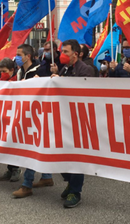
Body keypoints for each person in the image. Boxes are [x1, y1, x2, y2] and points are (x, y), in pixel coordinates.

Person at [51, 39, 93, 208]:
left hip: (79, 119)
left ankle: (75, 191)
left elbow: (86, 94)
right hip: (64, 118)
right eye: (62, 52)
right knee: (59, 152)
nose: (62, 55)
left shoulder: (86, 70)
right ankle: (69, 181)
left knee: (76, 156)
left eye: (66, 52)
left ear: (76, 54)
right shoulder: (65, 69)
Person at [12, 44, 53, 198]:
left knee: (32, 147)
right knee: (38, 145)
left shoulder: (40, 71)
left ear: (27, 56)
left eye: (19, 54)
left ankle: (27, 184)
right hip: (26, 112)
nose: (17, 57)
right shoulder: (20, 71)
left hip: (38, 114)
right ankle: (47, 177)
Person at [0, 58, 22, 182]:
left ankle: (16, 168)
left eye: (4, 71)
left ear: (12, 70)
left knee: (13, 143)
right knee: (6, 143)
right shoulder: (1, 80)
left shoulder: (17, 80)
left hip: (14, 115)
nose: (2, 74)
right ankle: (10, 169)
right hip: (3, 114)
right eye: (1, 71)